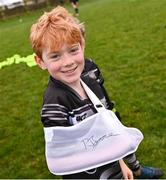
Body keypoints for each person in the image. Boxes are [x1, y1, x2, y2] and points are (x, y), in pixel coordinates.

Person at [29, 6, 163, 179]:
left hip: (114, 168)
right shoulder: (54, 104)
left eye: (73, 50)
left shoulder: (90, 78)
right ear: (40, 62)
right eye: (55, 56)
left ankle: (136, 168)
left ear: (82, 45)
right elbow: (64, 157)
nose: (68, 62)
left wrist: (121, 163)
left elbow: (107, 129)